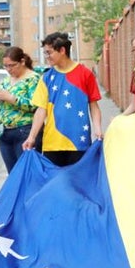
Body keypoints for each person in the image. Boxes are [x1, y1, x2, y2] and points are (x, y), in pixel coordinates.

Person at [23, 32, 102, 167]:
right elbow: (41, 110)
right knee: (55, 180)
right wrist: (31, 137)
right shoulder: (46, 78)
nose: (47, 57)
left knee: (77, 180)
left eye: (49, 52)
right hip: (52, 143)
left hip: (79, 141)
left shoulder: (85, 74)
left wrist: (98, 129)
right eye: (45, 53)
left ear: (62, 50)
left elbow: (93, 106)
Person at [0, 46, 40, 174]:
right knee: (12, 174)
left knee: (25, 173)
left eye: (11, 65)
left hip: (24, 130)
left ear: (22, 62)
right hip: (5, 132)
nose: (8, 69)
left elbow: (36, 106)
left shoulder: (33, 79)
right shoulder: (6, 81)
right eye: (5, 66)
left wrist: (12, 98)